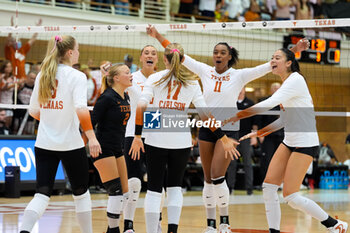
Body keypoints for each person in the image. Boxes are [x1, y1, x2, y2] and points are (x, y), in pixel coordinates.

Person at [147, 25, 309, 233]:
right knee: (207, 178)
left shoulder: (239, 75)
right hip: (207, 128)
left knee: (217, 175)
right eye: (215, 52)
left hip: (229, 131)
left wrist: (295, 50)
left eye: (223, 52)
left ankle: (224, 221)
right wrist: (157, 36)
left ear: (229, 56)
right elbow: (176, 53)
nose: (218, 55)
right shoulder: (204, 70)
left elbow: (269, 66)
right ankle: (211, 224)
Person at [224, 48, 348, 233]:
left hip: (305, 143)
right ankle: (274, 231)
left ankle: (334, 225)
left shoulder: (296, 79)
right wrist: (259, 133)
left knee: (291, 196)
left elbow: (268, 104)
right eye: (271, 57)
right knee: (268, 187)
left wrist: (238, 115)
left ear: (289, 62)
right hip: (289, 142)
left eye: (277, 57)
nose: (272, 60)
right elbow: (283, 119)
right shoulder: (286, 84)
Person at [129, 43, 239, 233]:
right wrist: (223, 138)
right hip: (180, 140)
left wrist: (138, 135)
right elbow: (205, 115)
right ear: (182, 60)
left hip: (156, 138)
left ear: (164, 59)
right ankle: (173, 230)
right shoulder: (192, 82)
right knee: (174, 188)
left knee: (155, 190)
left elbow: (141, 107)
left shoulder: (155, 78)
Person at [19, 35, 101, 233]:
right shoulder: (77, 76)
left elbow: (34, 111)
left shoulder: (43, 74)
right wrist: (92, 137)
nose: (79, 53)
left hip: (44, 143)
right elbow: (82, 109)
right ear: (70, 52)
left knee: (41, 194)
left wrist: (51, 119)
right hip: (70, 144)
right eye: (78, 49)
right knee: (81, 194)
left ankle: (24, 231)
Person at [91, 63, 132, 233]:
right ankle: (114, 231)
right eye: (127, 72)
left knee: (125, 193)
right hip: (103, 148)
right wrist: (90, 141)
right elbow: (90, 123)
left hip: (117, 148)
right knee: (115, 191)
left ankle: (110, 229)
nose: (131, 75)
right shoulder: (106, 97)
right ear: (116, 78)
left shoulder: (125, 97)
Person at [123, 45, 160, 233]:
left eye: (154, 53)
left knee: (156, 184)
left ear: (158, 60)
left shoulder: (162, 79)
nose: (150, 56)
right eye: (146, 52)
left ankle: (156, 224)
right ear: (140, 58)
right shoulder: (131, 78)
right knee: (134, 181)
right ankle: (128, 224)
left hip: (156, 134)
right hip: (133, 134)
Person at [226, 87, 256, 195]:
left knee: (247, 163)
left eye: (242, 88)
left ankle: (249, 188)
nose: (239, 91)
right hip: (233, 136)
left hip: (246, 137)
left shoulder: (250, 103)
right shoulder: (231, 102)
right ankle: (230, 187)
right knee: (231, 163)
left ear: (244, 90)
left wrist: (254, 136)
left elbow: (254, 121)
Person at [256, 82, 284, 184]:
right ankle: (266, 182)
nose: (277, 90)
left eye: (278, 88)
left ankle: (278, 182)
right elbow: (258, 119)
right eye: (275, 88)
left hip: (281, 136)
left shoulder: (285, 101)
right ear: (271, 90)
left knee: (280, 161)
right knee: (267, 160)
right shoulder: (265, 101)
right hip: (268, 136)